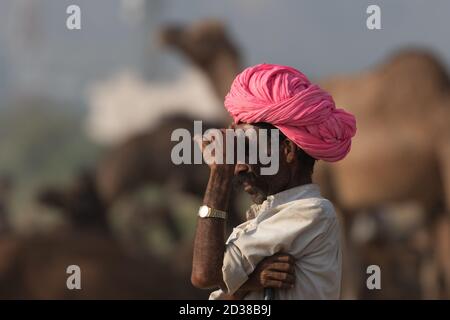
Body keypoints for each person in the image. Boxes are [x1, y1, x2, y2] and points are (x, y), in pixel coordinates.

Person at [190, 63, 356, 299]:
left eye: (248, 148)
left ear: (287, 149)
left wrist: (219, 173)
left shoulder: (310, 213)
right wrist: (250, 283)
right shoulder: (268, 217)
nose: (238, 167)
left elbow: (204, 275)